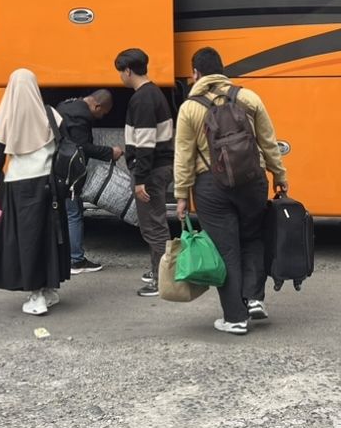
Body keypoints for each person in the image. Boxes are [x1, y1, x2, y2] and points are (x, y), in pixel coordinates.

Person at [174, 47, 287, 335]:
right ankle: (254, 300)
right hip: (252, 181)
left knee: (226, 249)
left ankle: (235, 317)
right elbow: (268, 142)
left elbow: (184, 155)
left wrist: (181, 196)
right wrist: (279, 175)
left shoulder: (190, 108)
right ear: (222, 70)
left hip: (211, 187)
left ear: (196, 73)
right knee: (253, 237)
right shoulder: (248, 97)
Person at [0, 68, 70, 316]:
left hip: (21, 186)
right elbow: (66, 142)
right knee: (50, 237)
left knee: (27, 240)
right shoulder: (51, 113)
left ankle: (36, 295)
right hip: (50, 185)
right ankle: (51, 289)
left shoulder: (8, 115)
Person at [114, 49, 174, 298]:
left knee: (153, 225)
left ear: (128, 71)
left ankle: (162, 279)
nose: (120, 77)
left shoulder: (142, 98)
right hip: (159, 167)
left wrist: (140, 179)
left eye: (120, 72)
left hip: (151, 171)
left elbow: (145, 142)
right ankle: (157, 269)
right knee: (154, 223)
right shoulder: (154, 93)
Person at [55, 90, 122, 275]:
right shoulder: (81, 115)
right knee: (74, 213)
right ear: (96, 106)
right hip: (69, 172)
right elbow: (82, 147)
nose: (101, 117)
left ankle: (66, 257)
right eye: (103, 113)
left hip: (58, 168)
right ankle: (76, 260)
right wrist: (110, 152)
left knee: (65, 214)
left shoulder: (66, 104)